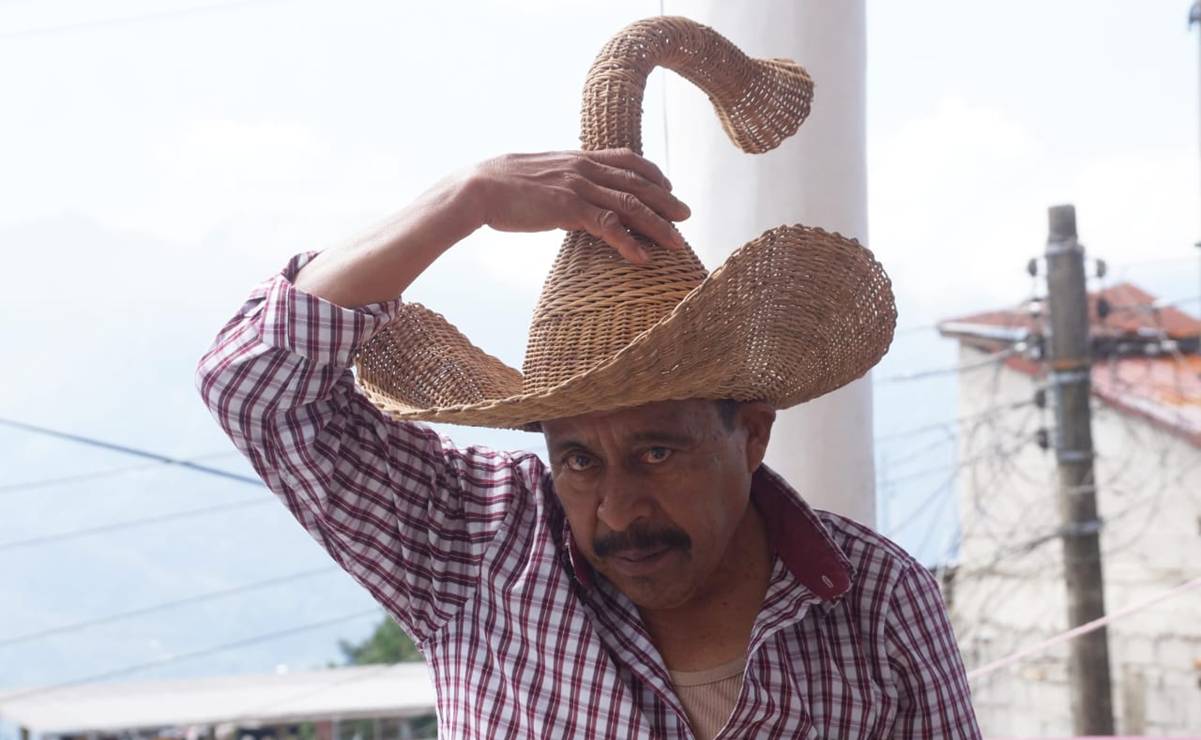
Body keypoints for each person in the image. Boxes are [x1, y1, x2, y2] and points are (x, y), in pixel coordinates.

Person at [197, 16, 980, 739]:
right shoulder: (472, 544)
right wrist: (463, 199)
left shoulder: (874, 599)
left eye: (656, 453)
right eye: (577, 459)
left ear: (750, 433)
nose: (617, 509)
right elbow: (253, 387)